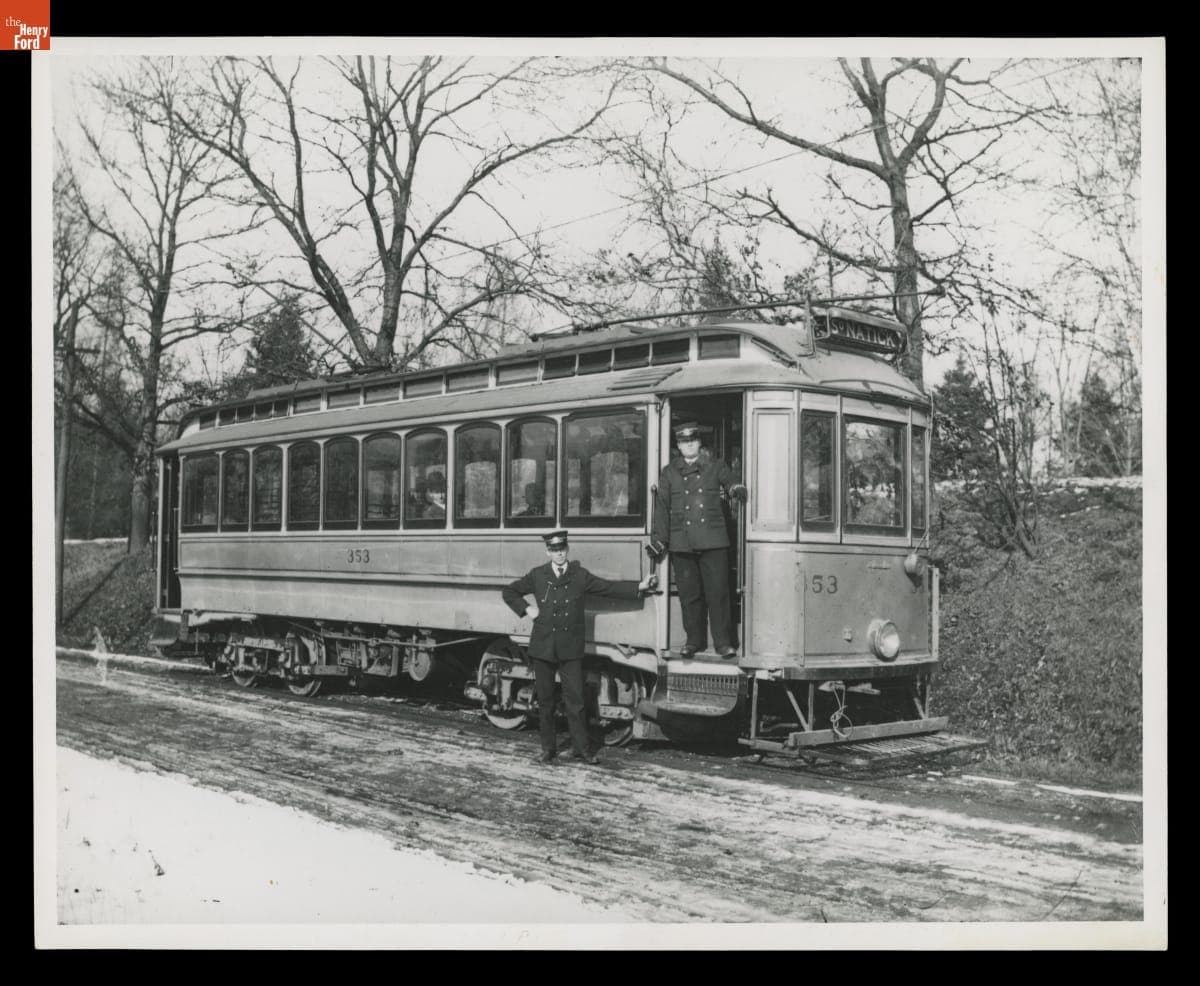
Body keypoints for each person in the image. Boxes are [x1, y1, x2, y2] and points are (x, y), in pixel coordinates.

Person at [502, 530, 654, 764]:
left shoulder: (579, 575)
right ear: (548, 552)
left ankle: (582, 749)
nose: (559, 554)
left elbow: (607, 588)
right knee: (546, 702)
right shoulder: (537, 575)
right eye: (554, 550)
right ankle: (548, 749)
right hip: (542, 648)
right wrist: (527, 609)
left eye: (562, 549)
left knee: (576, 701)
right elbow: (509, 592)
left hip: (570, 649)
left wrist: (639, 587)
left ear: (567, 550)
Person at [649, 422, 748, 659]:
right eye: (684, 442)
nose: (688, 445)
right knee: (689, 596)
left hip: (713, 541)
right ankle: (693, 641)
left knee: (718, 594)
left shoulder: (714, 466)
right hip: (682, 541)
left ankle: (723, 643)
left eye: (692, 441)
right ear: (678, 446)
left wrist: (736, 488)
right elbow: (662, 507)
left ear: (699, 443)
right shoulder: (669, 471)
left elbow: (731, 481)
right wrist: (659, 540)